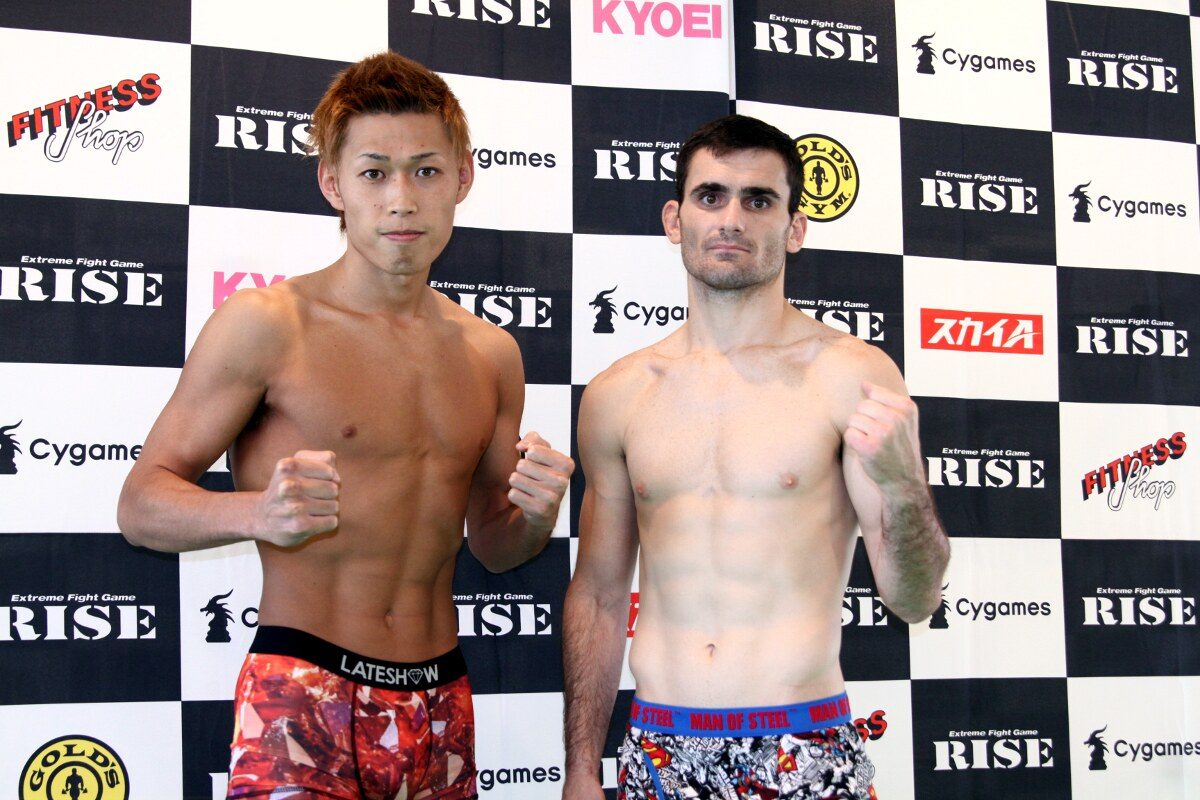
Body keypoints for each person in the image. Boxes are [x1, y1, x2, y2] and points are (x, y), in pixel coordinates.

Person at [117, 51, 574, 800]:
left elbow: (496, 548)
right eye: (374, 173)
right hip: (304, 686)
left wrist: (535, 513)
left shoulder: (492, 354)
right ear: (333, 183)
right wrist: (257, 512)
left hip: (439, 699)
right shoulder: (269, 325)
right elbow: (140, 505)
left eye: (426, 171)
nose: (402, 200)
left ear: (463, 177)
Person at [562, 115, 950, 800]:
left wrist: (904, 487)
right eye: (711, 196)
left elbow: (914, 600)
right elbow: (597, 593)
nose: (732, 219)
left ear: (795, 228)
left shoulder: (851, 375)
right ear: (675, 219)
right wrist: (582, 769)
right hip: (661, 748)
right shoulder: (618, 394)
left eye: (759, 200)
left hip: (803, 742)